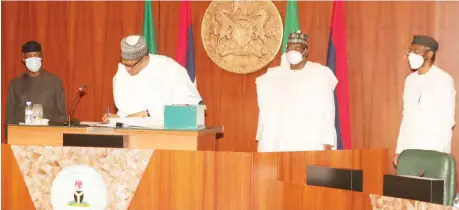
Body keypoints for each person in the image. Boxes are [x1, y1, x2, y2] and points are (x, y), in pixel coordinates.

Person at [255, 31, 338, 152]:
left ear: (306, 51)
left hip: (309, 142)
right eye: (290, 47)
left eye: (297, 47)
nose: (293, 50)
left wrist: (327, 142)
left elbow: (327, 112)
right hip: (278, 141)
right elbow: (265, 111)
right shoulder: (272, 76)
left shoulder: (320, 74)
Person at [103, 34, 202, 126]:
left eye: (131, 65)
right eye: (124, 63)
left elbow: (187, 105)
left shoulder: (170, 68)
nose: (127, 69)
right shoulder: (122, 70)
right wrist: (117, 119)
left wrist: (147, 113)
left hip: (163, 135)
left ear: (145, 59)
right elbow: (125, 109)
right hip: (130, 135)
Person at [393, 35, 456, 166]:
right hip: (410, 152)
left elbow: (446, 122)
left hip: (433, 154)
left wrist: (436, 156)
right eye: (410, 51)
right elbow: (406, 118)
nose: (411, 55)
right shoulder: (410, 81)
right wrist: (399, 151)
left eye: (416, 51)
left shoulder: (443, 80)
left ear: (429, 54)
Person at [6, 41, 66, 124]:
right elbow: (10, 117)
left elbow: (62, 115)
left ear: (41, 57)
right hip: (22, 134)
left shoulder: (55, 82)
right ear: (23, 58)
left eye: (36, 55)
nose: (33, 59)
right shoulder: (15, 84)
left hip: (49, 134)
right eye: (30, 56)